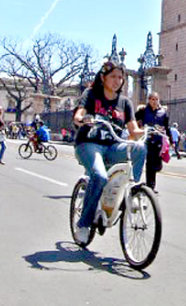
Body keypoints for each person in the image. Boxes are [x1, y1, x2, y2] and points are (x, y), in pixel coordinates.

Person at [72, 61, 147, 245]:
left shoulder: (125, 102)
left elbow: (133, 131)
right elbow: (78, 115)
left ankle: (133, 190)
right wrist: (82, 119)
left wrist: (147, 132)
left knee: (138, 148)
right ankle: (83, 224)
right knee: (99, 176)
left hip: (113, 146)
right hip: (89, 144)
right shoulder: (91, 95)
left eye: (121, 77)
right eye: (113, 76)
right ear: (103, 77)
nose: (117, 81)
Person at [136, 91, 169, 192]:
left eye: (156, 99)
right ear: (149, 100)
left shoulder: (162, 112)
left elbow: (167, 127)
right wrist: (140, 127)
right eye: (153, 99)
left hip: (158, 139)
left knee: (157, 164)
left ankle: (150, 184)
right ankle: (150, 186)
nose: (155, 102)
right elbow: (133, 120)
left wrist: (170, 140)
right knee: (149, 163)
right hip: (147, 139)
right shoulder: (143, 111)